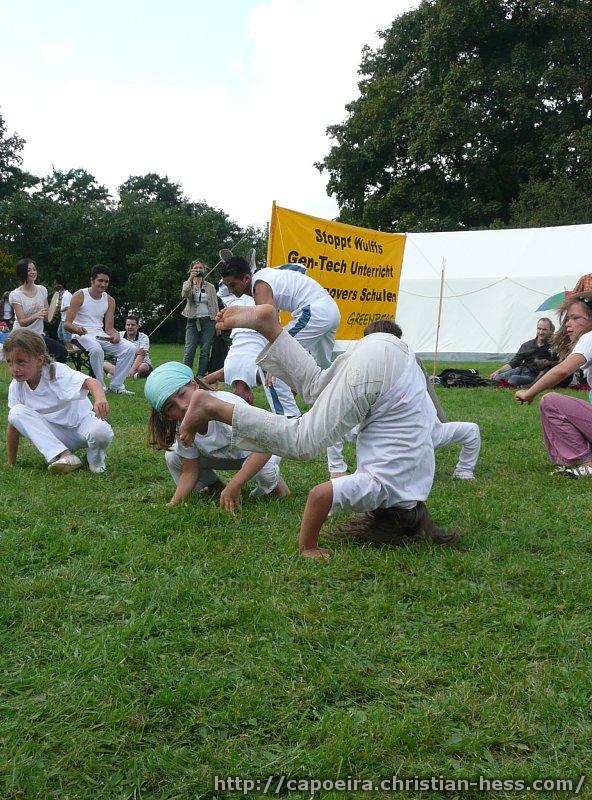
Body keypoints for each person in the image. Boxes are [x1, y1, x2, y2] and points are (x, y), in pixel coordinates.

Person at [177, 304, 458, 559]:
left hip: (390, 352)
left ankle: (270, 328)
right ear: (378, 516)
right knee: (303, 441)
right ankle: (213, 407)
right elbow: (319, 495)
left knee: (316, 387)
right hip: (382, 368)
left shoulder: (421, 483)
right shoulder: (383, 491)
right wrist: (308, 546)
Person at [220, 256, 347, 478]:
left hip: (313, 311)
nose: (231, 291)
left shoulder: (260, 286)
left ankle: (287, 417)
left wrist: (276, 363)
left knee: (268, 364)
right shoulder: (266, 277)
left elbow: (268, 321)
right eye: (228, 286)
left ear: (246, 278)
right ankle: (338, 461)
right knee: (327, 385)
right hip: (329, 310)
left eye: (233, 285)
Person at [144, 362, 290, 512]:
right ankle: (214, 486)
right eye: (171, 407)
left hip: (257, 452)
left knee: (266, 475)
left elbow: (265, 446)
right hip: (226, 457)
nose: (182, 406)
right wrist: (173, 504)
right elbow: (189, 470)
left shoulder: (226, 405)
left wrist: (235, 484)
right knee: (173, 456)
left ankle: (276, 486)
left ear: (194, 385)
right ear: (167, 415)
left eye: (182, 394)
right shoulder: (180, 425)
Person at [364, 320, 481, 479]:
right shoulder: (411, 361)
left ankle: (463, 472)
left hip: (390, 439)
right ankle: (463, 472)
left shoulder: (372, 365)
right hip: (420, 434)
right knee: (471, 431)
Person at [4, 329, 113, 474]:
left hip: (81, 426)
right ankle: (63, 455)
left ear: (39, 360)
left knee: (101, 431)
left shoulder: (56, 371)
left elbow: (91, 382)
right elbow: (13, 425)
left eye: (21, 362)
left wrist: (100, 398)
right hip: (56, 436)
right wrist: (11, 462)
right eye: (10, 363)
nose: (15, 369)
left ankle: (96, 457)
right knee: (16, 412)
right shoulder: (16, 387)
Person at [515, 292, 592, 478]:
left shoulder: (589, 337)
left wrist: (530, 393)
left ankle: (586, 462)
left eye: (574, 318)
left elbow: (562, 370)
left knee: (551, 402)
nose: (568, 324)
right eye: (567, 318)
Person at [205, 293, 301, 417]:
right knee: (252, 291)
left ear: (249, 397)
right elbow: (207, 380)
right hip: (239, 324)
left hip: (259, 326)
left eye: (251, 401)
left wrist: (292, 395)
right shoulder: (227, 374)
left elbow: (282, 376)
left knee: (265, 292)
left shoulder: (256, 375)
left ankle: (291, 415)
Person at [65, 265, 136, 395]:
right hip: (81, 335)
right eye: (100, 281)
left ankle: (116, 385)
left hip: (100, 334)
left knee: (130, 348)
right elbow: (67, 324)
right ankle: (100, 386)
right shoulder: (80, 295)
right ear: (92, 280)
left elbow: (109, 328)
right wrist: (77, 329)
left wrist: (115, 335)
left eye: (106, 282)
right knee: (96, 349)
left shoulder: (110, 300)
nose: (103, 284)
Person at [9, 258, 67, 363]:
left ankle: (53, 378)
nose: (33, 272)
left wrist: (55, 311)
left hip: (38, 335)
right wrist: (36, 315)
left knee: (61, 352)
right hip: (21, 336)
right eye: (29, 270)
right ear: (22, 273)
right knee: (34, 361)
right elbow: (22, 322)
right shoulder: (15, 295)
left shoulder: (42, 290)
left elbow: (47, 318)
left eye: (34, 269)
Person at [490, 318, 557, 387]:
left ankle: (508, 384)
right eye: (539, 329)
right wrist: (498, 371)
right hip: (521, 370)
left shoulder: (553, 348)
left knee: (514, 379)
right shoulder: (527, 345)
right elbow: (514, 363)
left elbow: (546, 370)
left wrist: (533, 384)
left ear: (551, 331)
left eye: (544, 329)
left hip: (533, 376)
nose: (540, 332)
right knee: (497, 378)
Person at [181, 260, 218, 376]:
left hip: (209, 320)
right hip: (192, 320)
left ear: (204, 270)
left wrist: (218, 323)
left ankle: (201, 375)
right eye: (195, 268)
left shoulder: (210, 286)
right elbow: (184, 294)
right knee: (190, 350)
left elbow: (215, 304)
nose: (198, 269)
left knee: (205, 350)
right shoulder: (188, 284)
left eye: (200, 268)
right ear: (191, 270)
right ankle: (185, 375)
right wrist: (190, 280)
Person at [103, 315, 152, 380]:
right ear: (125, 326)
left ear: (137, 326)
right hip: (122, 364)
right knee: (104, 364)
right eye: (128, 325)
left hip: (139, 364)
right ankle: (131, 375)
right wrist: (134, 351)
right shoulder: (119, 335)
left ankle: (123, 373)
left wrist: (132, 369)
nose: (130, 327)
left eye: (133, 325)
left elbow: (142, 353)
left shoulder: (144, 337)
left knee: (143, 367)